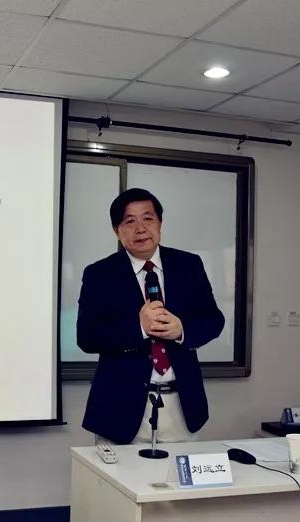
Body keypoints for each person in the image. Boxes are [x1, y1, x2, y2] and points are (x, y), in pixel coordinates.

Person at [77, 188, 224, 444]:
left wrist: (182, 330)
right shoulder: (99, 274)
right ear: (116, 230)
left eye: (148, 218)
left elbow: (214, 320)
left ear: (160, 223)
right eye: (129, 221)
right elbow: (87, 337)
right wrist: (139, 327)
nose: (141, 229)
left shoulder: (188, 265)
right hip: (120, 411)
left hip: (182, 407)